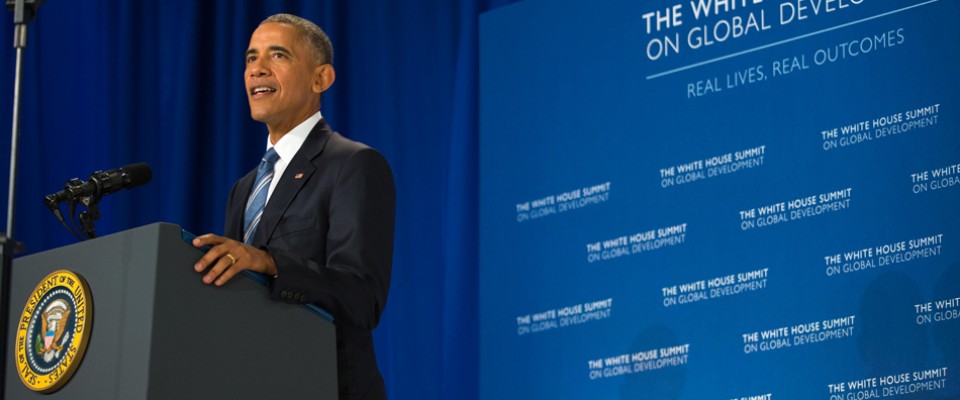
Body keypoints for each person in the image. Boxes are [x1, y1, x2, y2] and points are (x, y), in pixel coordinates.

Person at [191, 13, 395, 400]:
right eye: (251, 58)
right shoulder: (244, 188)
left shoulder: (352, 164)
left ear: (321, 79)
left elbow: (362, 297)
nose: (257, 70)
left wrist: (270, 263)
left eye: (277, 55)